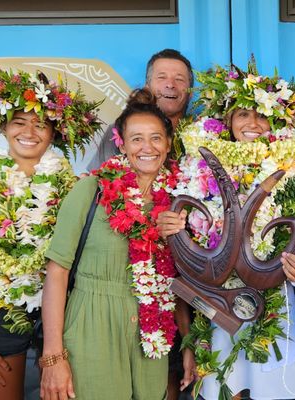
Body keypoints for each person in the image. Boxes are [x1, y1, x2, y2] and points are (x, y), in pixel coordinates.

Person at [157, 60, 295, 399]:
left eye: (263, 115)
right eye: (243, 114)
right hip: (217, 298)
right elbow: (183, 226)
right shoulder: (197, 165)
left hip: (271, 297)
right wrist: (172, 225)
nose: (253, 123)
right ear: (227, 121)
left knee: (268, 386)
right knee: (224, 385)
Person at [40, 88, 191, 400]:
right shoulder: (90, 191)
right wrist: (53, 358)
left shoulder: (179, 203)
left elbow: (178, 284)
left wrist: (187, 345)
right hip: (91, 328)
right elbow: (57, 273)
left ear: (168, 143)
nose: (147, 147)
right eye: (136, 138)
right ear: (122, 143)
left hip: (152, 336)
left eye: (155, 138)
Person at [0, 66, 102, 399]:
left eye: (40, 123)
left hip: (64, 312)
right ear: (3, 126)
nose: (30, 131)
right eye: (19, 121)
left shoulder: (76, 188)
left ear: (54, 133)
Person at [87, 48, 193, 170]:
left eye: (179, 79)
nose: (170, 84)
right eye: (162, 77)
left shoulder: (203, 135)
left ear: (190, 93)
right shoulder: (120, 130)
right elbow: (98, 181)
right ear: (147, 88)